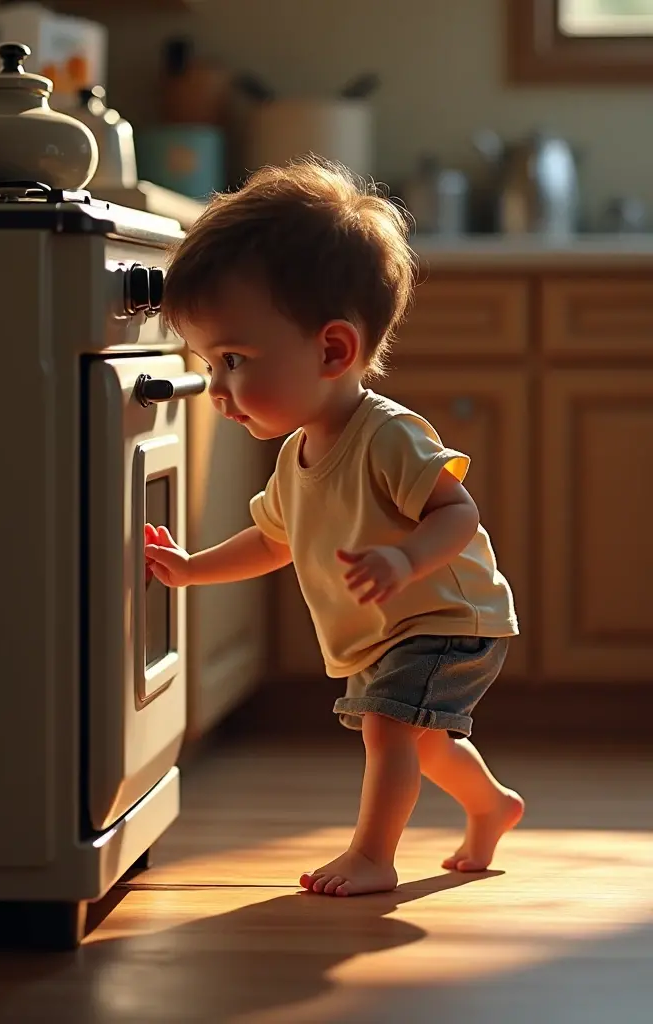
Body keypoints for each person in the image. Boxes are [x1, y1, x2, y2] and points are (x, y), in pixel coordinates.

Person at [144, 157, 524, 898]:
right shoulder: (296, 454)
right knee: (427, 741)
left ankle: (373, 856)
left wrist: (402, 561)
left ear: (332, 350)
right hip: (397, 625)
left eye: (232, 360)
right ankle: (493, 807)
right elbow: (272, 541)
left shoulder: (387, 435)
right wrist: (192, 568)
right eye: (208, 364)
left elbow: (458, 512)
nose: (216, 390)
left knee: (388, 731)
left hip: (449, 614)